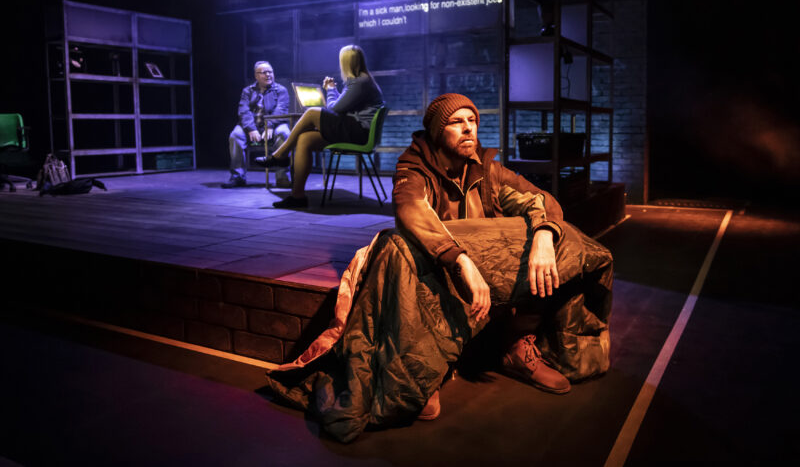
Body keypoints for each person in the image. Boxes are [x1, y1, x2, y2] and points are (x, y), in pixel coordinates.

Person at [262, 94, 613, 443]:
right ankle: (423, 370)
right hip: (437, 274)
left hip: (486, 279)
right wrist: (460, 260)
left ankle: (513, 346)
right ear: (435, 131)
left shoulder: (486, 169)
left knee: (559, 238)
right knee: (396, 249)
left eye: (472, 121)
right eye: (456, 122)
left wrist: (543, 237)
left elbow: (539, 199)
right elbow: (412, 210)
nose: (468, 129)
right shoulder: (413, 168)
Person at [257, 44, 384, 208]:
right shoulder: (361, 81)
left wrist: (330, 90)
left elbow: (334, 108)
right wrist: (335, 91)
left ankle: (280, 156)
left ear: (346, 63)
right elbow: (343, 105)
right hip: (355, 130)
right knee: (305, 139)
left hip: (358, 133)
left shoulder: (360, 82)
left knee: (311, 113)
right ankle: (298, 197)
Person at [222, 61, 291, 188]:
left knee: (284, 133)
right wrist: (251, 129)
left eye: (270, 72)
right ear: (256, 76)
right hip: (252, 126)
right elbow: (243, 111)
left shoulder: (281, 90)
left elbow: (281, 110)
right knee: (235, 135)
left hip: (275, 125)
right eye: (264, 72)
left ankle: (283, 177)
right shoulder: (247, 91)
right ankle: (238, 176)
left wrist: (269, 125)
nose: (268, 75)